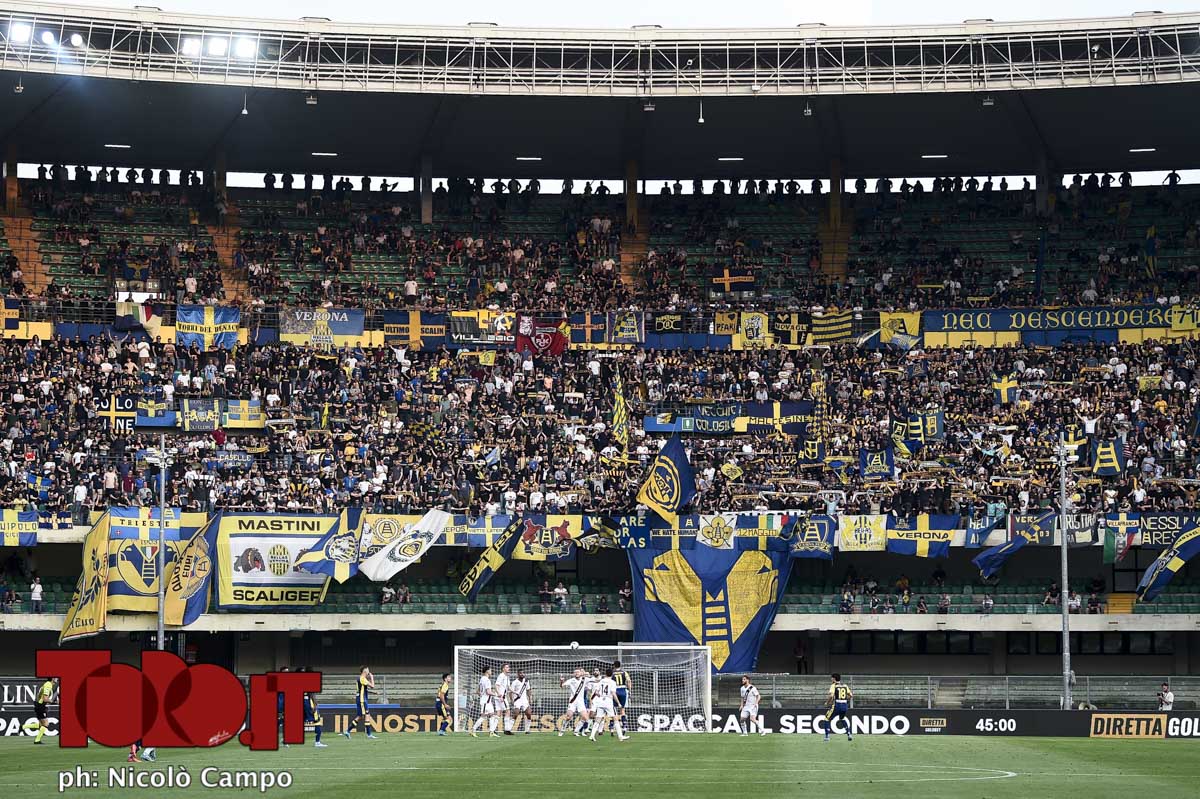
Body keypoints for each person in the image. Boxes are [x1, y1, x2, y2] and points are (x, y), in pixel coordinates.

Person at [588, 668, 627, 742]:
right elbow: (613, 693)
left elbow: (596, 692)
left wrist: (600, 696)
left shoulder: (601, 681)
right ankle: (621, 736)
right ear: (612, 675)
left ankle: (592, 735)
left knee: (598, 718)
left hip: (600, 701)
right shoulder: (612, 682)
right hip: (608, 701)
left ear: (605, 674)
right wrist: (618, 703)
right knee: (615, 718)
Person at [343, 666, 378, 739]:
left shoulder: (359, 679)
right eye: (368, 670)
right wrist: (372, 677)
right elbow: (372, 686)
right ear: (364, 671)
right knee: (367, 715)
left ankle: (347, 731)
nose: (368, 671)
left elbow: (362, 689)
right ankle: (369, 734)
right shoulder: (362, 678)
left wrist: (372, 692)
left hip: (359, 699)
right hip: (362, 700)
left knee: (360, 716)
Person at [558, 668, 590, 737]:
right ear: (573, 674)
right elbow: (561, 686)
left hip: (580, 702)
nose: (576, 673)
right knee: (569, 717)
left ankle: (576, 731)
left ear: (580, 673)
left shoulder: (584, 679)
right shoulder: (571, 680)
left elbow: (595, 680)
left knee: (585, 717)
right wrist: (561, 681)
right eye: (575, 672)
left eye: (578, 672)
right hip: (573, 701)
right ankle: (562, 730)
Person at [470, 666, 499, 738]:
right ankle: (473, 730)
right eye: (490, 670)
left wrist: (482, 695)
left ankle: (491, 732)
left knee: (492, 715)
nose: (491, 671)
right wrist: (496, 694)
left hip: (487, 701)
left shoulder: (482, 679)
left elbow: (477, 691)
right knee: (483, 717)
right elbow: (488, 692)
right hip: (486, 702)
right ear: (487, 671)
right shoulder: (487, 680)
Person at [823, 674, 853, 742]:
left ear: (834, 679)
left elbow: (831, 696)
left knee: (826, 718)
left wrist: (827, 703)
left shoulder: (833, 686)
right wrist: (844, 699)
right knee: (842, 718)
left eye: (832, 678)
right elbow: (851, 695)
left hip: (837, 705)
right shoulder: (845, 686)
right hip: (844, 706)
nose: (831, 679)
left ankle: (827, 736)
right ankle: (849, 734)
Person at [303, 671, 327, 748]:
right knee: (317, 721)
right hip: (309, 703)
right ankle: (317, 742)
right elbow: (312, 694)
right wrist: (315, 704)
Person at [32, 676, 55, 745]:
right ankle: (37, 740)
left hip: (40, 705)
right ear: (53, 679)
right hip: (40, 705)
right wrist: (54, 702)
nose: (57, 679)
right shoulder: (48, 684)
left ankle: (23, 727)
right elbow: (45, 698)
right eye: (56, 677)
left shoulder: (47, 684)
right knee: (46, 724)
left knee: (41, 725)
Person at [510, 670, 534, 734]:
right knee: (516, 714)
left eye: (523, 673)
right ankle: (508, 729)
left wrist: (530, 698)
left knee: (529, 714)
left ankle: (527, 730)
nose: (522, 674)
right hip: (517, 700)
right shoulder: (514, 682)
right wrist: (512, 700)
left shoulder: (526, 681)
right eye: (520, 673)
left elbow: (528, 690)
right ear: (518, 674)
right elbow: (510, 692)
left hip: (524, 700)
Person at [612, 660, 631, 733]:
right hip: (623, 690)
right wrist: (629, 690)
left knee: (613, 710)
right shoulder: (624, 672)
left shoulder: (612, 673)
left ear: (614, 665)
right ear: (620, 665)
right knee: (622, 710)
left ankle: (612, 727)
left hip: (615, 691)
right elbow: (628, 681)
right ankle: (624, 726)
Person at [494, 663, 513, 734]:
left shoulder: (507, 677)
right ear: (503, 669)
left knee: (499, 713)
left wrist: (515, 692)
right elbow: (496, 685)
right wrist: (500, 695)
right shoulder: (501, 675)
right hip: (501, 697)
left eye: (508, 667)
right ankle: (507, 730)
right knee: (508, 711)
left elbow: (509, 687)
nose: (508, 668)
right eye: (507, 667)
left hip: (499, 697)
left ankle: (493, 729)